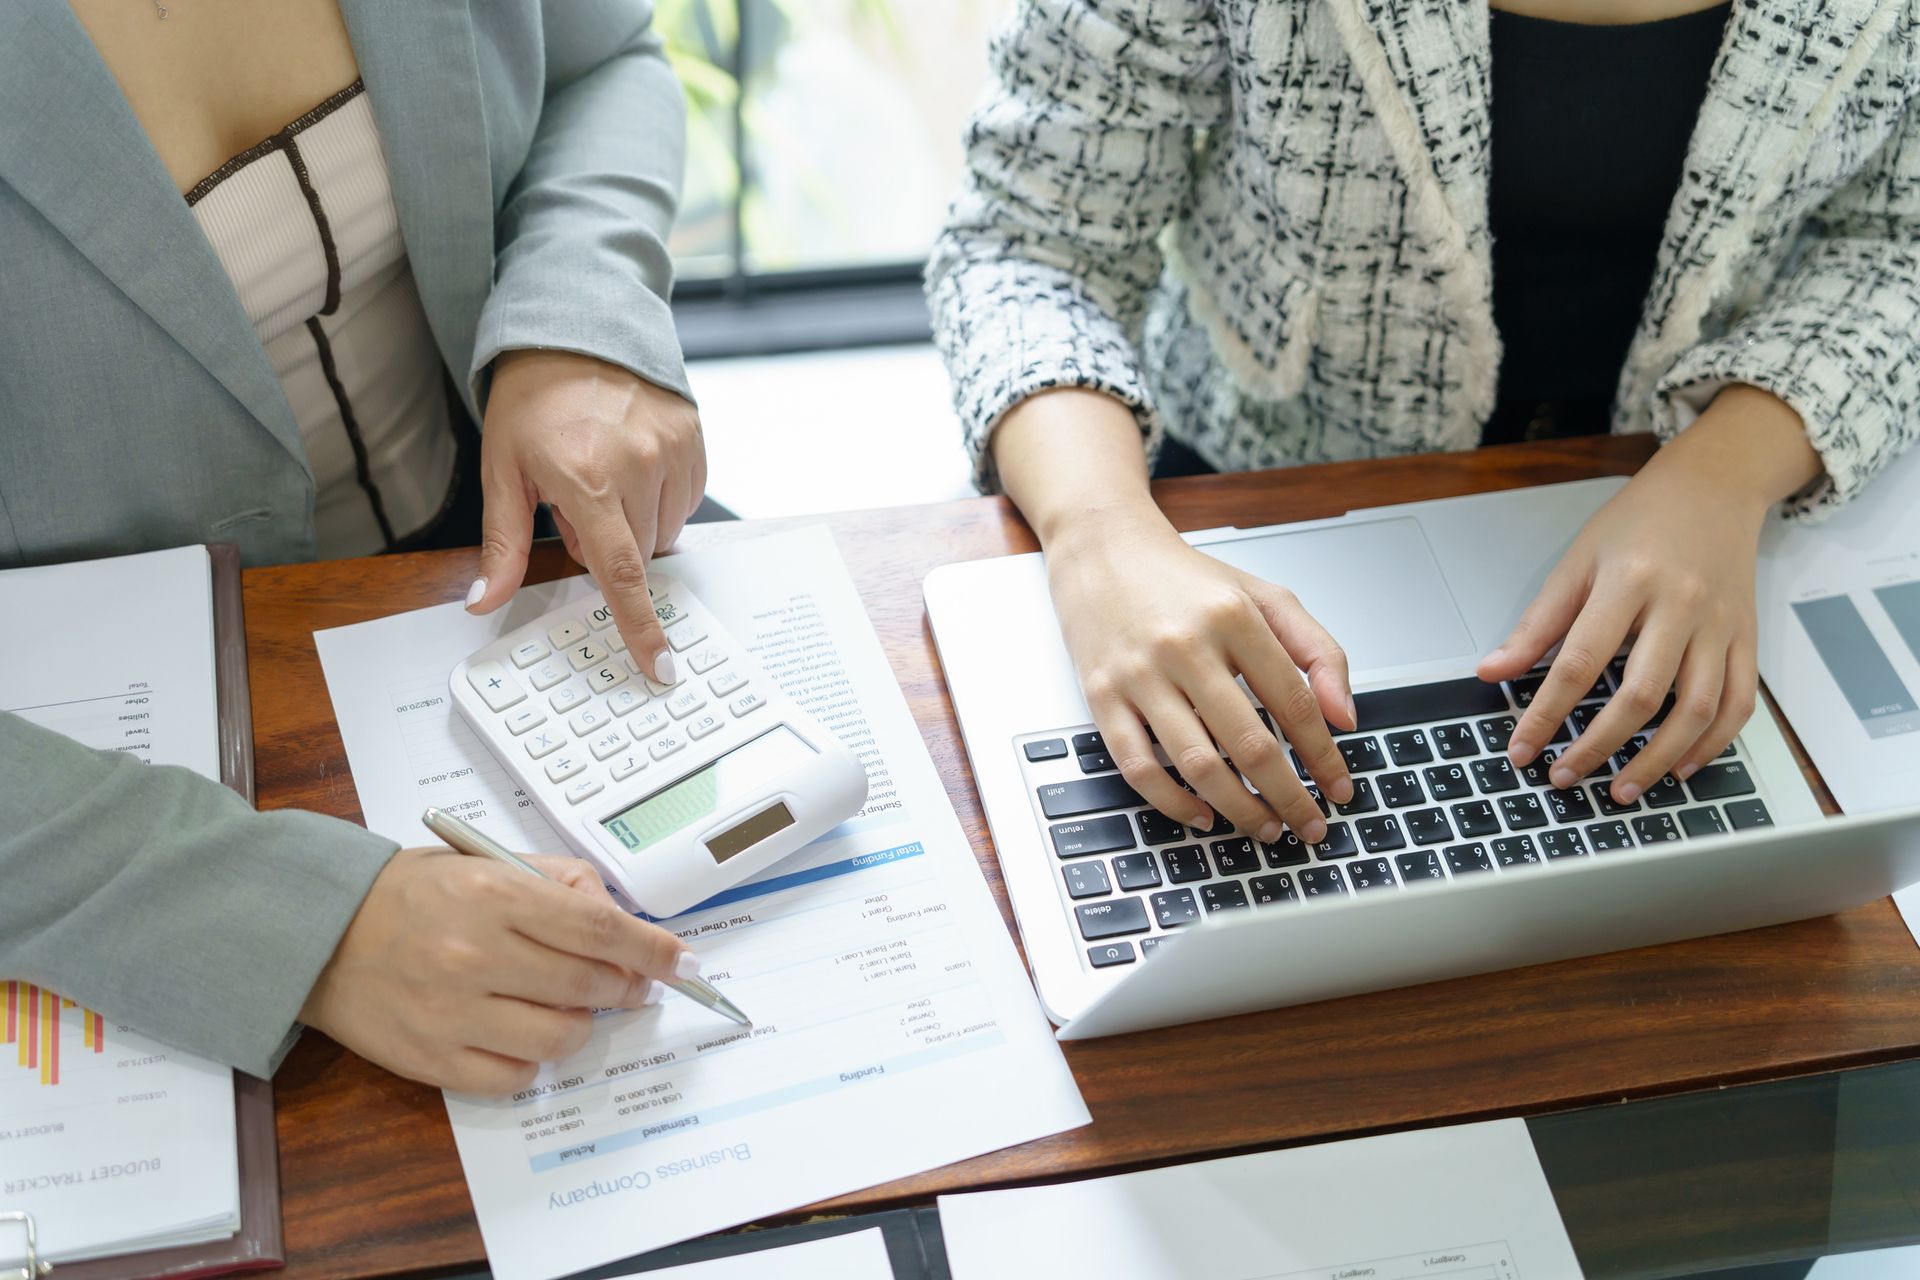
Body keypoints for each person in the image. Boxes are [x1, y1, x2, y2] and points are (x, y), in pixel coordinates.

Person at [928, 0, 1920, 848]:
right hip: (1248, 517)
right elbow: (1028, 246)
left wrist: (1728, 472)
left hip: (1708, 538)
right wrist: (1100, 536)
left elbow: (1898, 240)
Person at [0, 0, 706, 1094]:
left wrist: (573, 318)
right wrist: (305, 928)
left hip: (512, 554)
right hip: (105, 780)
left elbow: (603, 62)